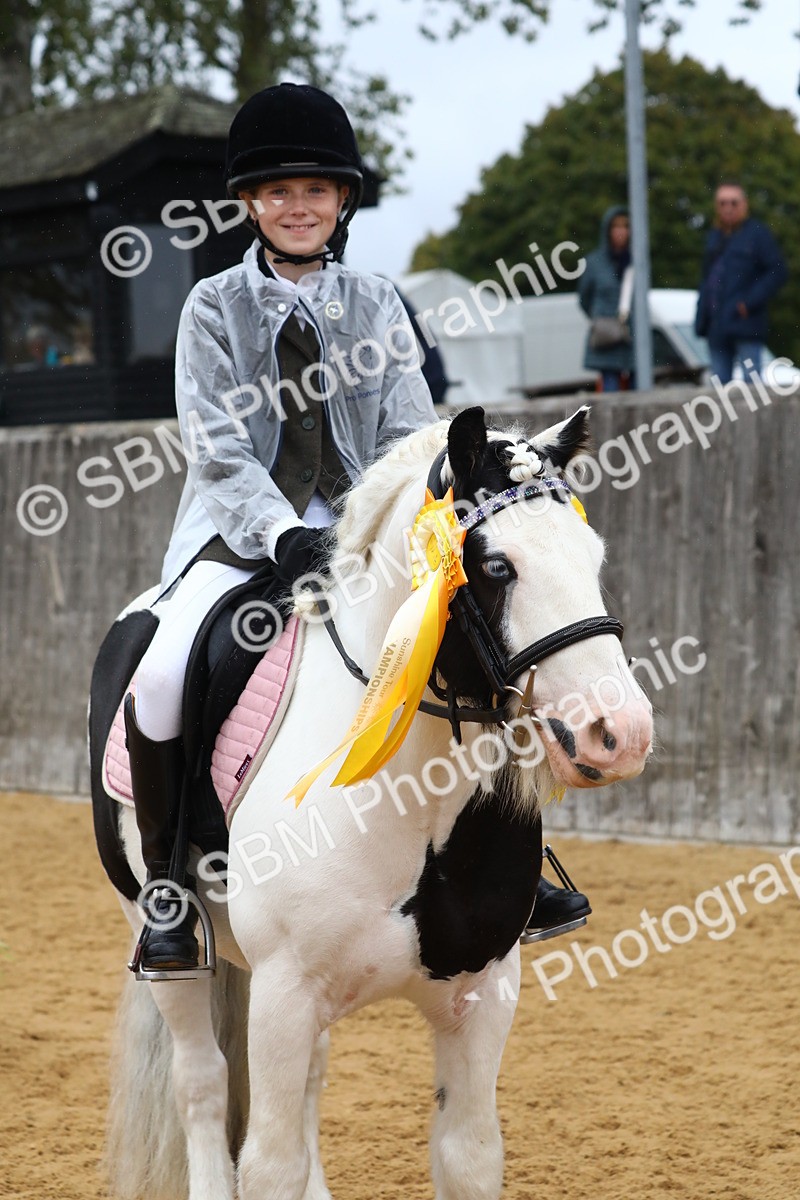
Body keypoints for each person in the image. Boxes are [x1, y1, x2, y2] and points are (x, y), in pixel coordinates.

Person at [124, 82, 585, 974]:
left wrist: (398, 523)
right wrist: (282, 534)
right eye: (279, 192)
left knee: (480, 636)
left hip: (366, 540)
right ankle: (171, 892)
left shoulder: (378, 305)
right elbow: (218, 452)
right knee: (162, 676)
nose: (299, 207)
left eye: (316, 191)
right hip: (236, 537)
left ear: (343, 201)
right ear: (251, 203)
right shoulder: (211, 309)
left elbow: (413, 438)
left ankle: (523, 861)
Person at [694, 181, 787, 385]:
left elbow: (777, 271)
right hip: (716, 324)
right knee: (719, 388)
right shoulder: (714, 237)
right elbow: (707, 280)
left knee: (751, 385)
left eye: (733, 203)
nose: (728, 208)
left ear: (744, 205)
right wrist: (702, 315)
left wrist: (749, 303)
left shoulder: (757, 234)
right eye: (722, 203)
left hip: (745, 322)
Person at [578, 206, 634, 393]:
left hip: (633, 336)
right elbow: (584, 299)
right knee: (610, 391)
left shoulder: (637, 261)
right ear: (608, 230)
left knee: (639, 390)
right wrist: (601, 318)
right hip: (607, 337)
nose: (621, 231)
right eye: (616, 226)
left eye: (625, 226)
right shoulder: (595, 262)